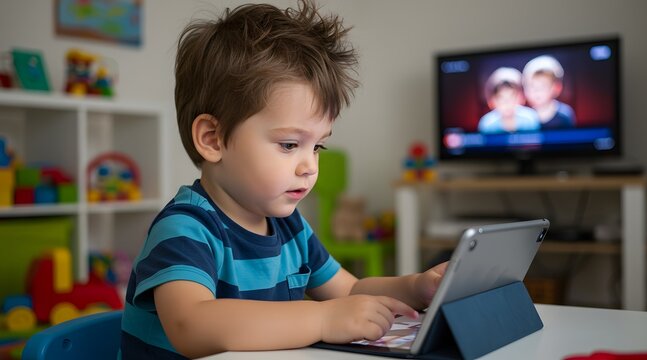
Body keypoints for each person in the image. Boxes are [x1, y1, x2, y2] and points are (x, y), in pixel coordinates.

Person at [119, 1, 448, 359]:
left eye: (317, 146)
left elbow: (350, 290)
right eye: (290, 144)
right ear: (213, 138)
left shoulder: (290, 227)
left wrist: (416, 287)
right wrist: (322, 318)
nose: (309, 166)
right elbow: (192, 325)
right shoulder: (185, 230)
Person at [477, 67, 540, 134]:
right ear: (493, 101)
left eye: (511, 97)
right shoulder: (487, 124)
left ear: (520, 98)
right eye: (501, 98)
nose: (507, 103)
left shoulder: (530, 118)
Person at [522, 55, 576, 129]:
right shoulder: (524, 117)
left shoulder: (565, 115)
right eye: (531, 86)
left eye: (542, 86)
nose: (536, 92)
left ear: (557, 88)